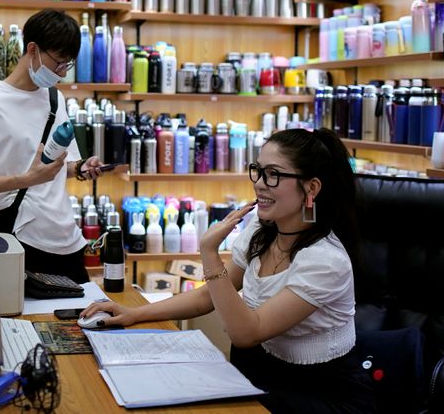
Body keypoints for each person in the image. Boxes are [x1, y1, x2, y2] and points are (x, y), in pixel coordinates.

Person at [83, 128, 376, 412]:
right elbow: (205, 298)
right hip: (259, 372)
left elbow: (247, 333)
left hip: (318, 392)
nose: (260, 183)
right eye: (258, 171)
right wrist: (134, 313)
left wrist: (210, 254)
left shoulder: (326, 261)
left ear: (311, 188)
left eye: (274, 174)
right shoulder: (263, 230)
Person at [0, 9, 110, 283]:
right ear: (33, 49)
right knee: (24, 321)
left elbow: (62, 165)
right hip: (17, 237)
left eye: (67, 65)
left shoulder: (54, 99)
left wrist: (81, 167)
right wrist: (25, 179)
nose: (61, 73)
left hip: (64, 236)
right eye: (58, 62)